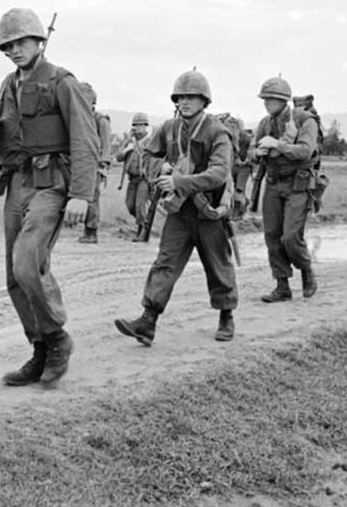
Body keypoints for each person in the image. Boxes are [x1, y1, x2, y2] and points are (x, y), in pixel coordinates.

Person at [0, 8, 100, 388]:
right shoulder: (7, 85)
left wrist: (82, 194)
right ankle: (41, 347)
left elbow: (85, 138)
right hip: (18, 181)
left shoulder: (62, 82)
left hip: (52, 184)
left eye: (21, 42)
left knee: (29, 261)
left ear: (38, 41)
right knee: (15, 276)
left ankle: (58, 337)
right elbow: (6, 135)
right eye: (8, 45)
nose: (14, 50)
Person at [115, 70, 239, 344]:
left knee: (217, 264)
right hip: (179, 211)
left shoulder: (217, 131)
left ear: (204, 100)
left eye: (191, 97)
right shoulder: (169, 128)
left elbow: (219, 172)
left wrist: (179, 181)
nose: (185, 102)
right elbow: (147, 156)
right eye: (181, 97)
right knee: (165, 263)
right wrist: (163, 167)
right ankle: (148, 321)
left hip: (208, 210)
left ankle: (226, 315)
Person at [250, 77, 321, 302]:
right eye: (264, 99)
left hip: (297, 185)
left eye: (269, 99)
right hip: (272, 184)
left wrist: (277, 145)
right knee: (272, 235)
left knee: (290, 236)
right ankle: (282, 286)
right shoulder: (264, 123)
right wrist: (256, 153)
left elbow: (306, 151)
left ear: (282, 100)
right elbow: (250, 151)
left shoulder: (304, 120)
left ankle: (306, 269)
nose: (265, 103)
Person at [77, 82, 112, 243]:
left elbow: (106, 145)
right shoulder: (78, 119)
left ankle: (91, 232)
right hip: (80, 164)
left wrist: (102, 165)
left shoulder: (100, 120)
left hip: (95, 165)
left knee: (92, 199)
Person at [118, 112, 154, 241]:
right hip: (132, 178)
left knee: (140, 205)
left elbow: (154, 158)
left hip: (144, 179)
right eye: (136, 125)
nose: (138, 127)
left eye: (141, 125)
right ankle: (144, 224)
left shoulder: (150, 141)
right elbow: (118, 157)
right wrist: (127, 148)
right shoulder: (129, 140)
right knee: (130, 206)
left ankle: (142, 233)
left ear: (145, 126)